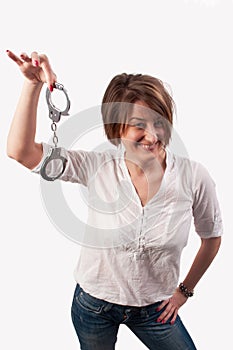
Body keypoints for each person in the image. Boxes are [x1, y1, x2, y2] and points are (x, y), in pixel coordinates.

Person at [6, 50, 223, 350]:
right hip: (94, 305)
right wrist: (33, 86)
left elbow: (211, 238)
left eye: (159, 122)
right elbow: (21, 152)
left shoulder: (194, 177)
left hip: (154, 309)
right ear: (117, 129)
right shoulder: (97, 167)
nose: (153, 135)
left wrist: (184, 291)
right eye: (139, 125)